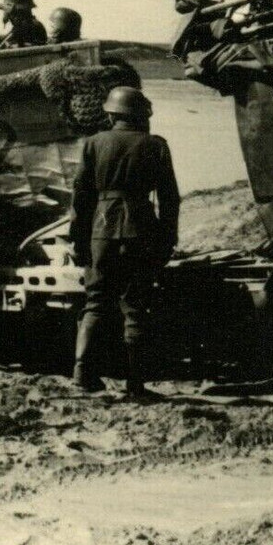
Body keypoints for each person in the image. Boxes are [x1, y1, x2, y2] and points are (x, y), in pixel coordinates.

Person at [69, 86, 179, 397]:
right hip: (141, 230)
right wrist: (168, 238)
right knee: (135, 305)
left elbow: (80, 198)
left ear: (112, 113)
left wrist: (78, 241)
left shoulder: (92, 144)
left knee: (95, 303)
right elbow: (170, 199)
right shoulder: (156, 146)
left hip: (101, 231)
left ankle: (82, 376)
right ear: (140, 115)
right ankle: (135, 384)